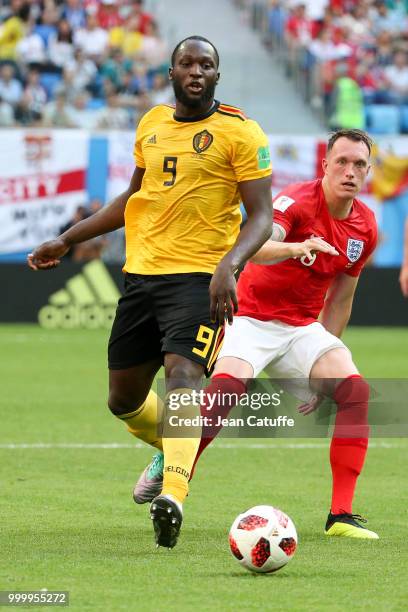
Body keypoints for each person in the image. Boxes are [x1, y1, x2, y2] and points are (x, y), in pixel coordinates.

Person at [27, 35, 273, 549]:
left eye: (207, 64)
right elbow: (133, 197)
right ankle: (172, 453)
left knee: (182, 378)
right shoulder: (152, 124)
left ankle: (175, 496)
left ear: (217, 75)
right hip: (141, 277)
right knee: (123, 399)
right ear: (171, 71)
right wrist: (68, 238)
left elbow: (263, 217)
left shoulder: (241, 132)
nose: (197, 71)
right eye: (187, 62)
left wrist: (230, 264)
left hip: (201, 281)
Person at [135, 128, 380, 540]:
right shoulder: (297, 202)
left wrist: (323, 363)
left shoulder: (364, 227)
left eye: (359, 164)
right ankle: (172, 483)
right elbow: (254, 246)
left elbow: (340, 300)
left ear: (368, 172)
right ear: (325, 165)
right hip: (248, 318)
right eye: (342, 161)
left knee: (354, 391)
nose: (350, 171)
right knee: (225, 393)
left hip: (302, 329)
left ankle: (341, 516)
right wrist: (296, 247)